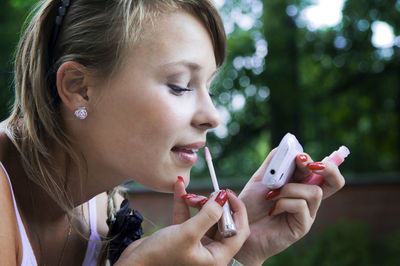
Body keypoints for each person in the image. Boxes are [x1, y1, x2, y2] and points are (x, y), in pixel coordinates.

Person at [0, 0, 345, 265]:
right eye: (180, 86)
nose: (213, 116)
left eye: (209, 87)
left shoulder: (105, 209)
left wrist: (241, 251)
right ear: (79, 87)